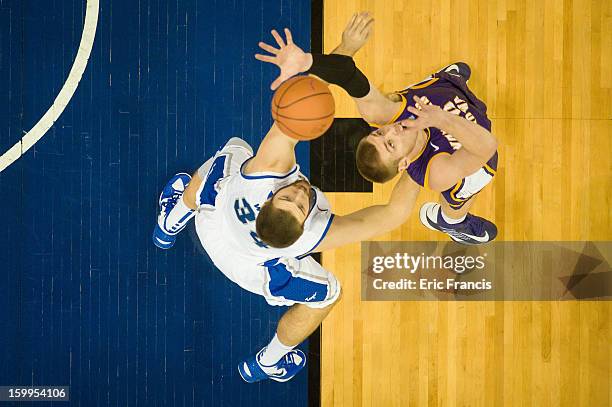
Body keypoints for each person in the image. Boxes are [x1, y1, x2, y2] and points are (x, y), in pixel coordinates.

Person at [152, 28, 420, 383]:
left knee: (228, 160)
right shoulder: (311, 236)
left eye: (288, 197)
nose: (300, 193)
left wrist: (344, 52)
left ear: (268, 200)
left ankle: (171, 219)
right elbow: (391, 215)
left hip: (215, 225)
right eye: (300, 204)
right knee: (328, 295)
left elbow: (305, 100)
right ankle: (268, 363)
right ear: (302, 226)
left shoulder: (265, 173)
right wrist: (422, 163)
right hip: (248, 264)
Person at [257, 13, 499, 245]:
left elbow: (347, 74)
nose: (391, 131)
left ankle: (451, 81)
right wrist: (442, 119)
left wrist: (308, 61)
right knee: (459, 197)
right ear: (404, 163)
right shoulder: (438, 173)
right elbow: (486, 146)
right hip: (475, 144)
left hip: (450, 95)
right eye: (391, 144)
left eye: (379, 133)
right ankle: (451, 222)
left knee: (406, 97)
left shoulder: (379, 114)